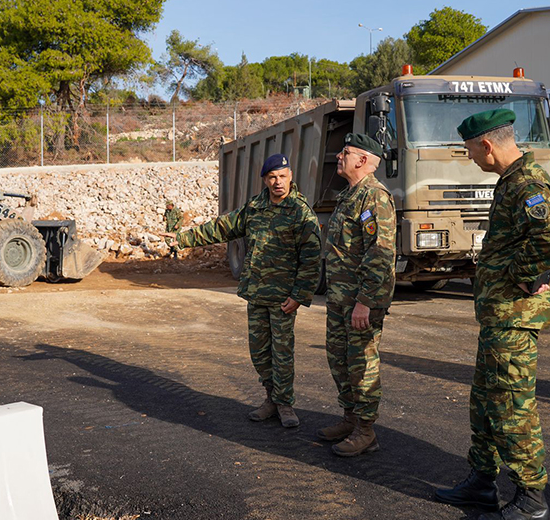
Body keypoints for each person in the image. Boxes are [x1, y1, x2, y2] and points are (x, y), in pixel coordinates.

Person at [435, 109, 550, 520]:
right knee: (485, 402)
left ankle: (531, 499)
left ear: (487, 145)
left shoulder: (527, 184)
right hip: (499, 316)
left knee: (512, 406)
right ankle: (482, 481)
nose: (471, 157)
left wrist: (522, 277)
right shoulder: (510, 183)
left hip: (514, 316)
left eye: (471, 150)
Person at [161, 154, 320, 427]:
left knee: (282, 353)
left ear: (291, 176)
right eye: (272, 177)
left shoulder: (300, 212)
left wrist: (299, 295)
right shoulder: (255, 208)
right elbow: (222, 228)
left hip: (283, 298)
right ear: (265, 180)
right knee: (259, 352)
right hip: (257, 293)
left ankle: (285, 404)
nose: (278, 182)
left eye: (282, 176)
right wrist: (183, 238)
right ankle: (271, 398)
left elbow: (312, 257)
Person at [317, 133, 396, 457]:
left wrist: (364, 301)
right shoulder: (350, 195)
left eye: (346, 152)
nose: (339, 156)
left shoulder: (375, 197)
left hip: (360, 302)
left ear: (363, 160)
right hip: (340, 298)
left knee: (362, 364)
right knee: (339, 360)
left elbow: (380, 254)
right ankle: (350, 418)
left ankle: (366, 430)